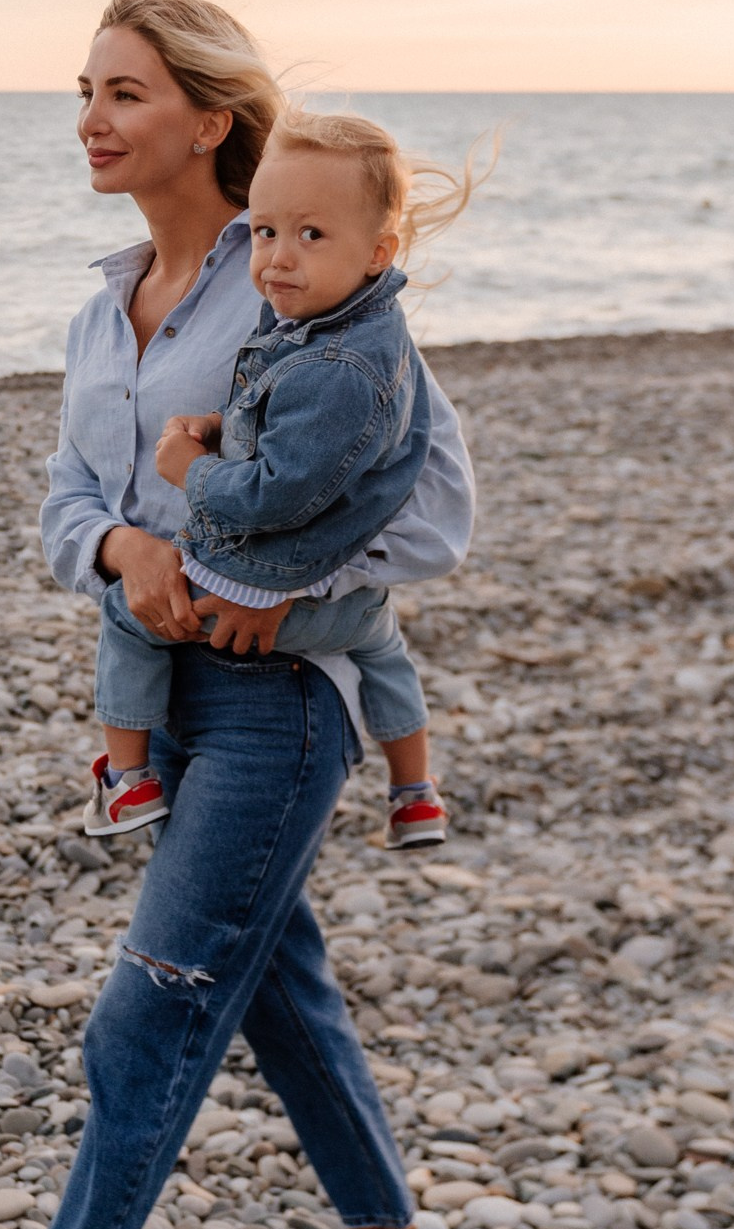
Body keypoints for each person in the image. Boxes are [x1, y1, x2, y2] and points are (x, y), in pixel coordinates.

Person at [0, 0, 474, 1229]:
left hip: (278, 707)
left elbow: (437, 513)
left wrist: (284, 582)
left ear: (208, 119)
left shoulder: (301, 289)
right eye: (82, 89)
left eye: (122, 92)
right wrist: (121, 554)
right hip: (159, 696)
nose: (88, 118)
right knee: (276, 991)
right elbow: (67, 498)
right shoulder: (98, 307)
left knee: (147, 1020)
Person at [85, 106, 472, 851]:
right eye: (264, 233)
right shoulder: (334, 330)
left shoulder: (340, 362)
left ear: (378, 252)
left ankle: (125, 780)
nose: (278, 259)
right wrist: (223, 426)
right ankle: (414, 792)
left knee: (127, 621)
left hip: (266, 595)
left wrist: (192, 470)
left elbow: (280, 491)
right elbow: (310, 445)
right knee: (382, 642)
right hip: (342, 601)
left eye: (311, 235)